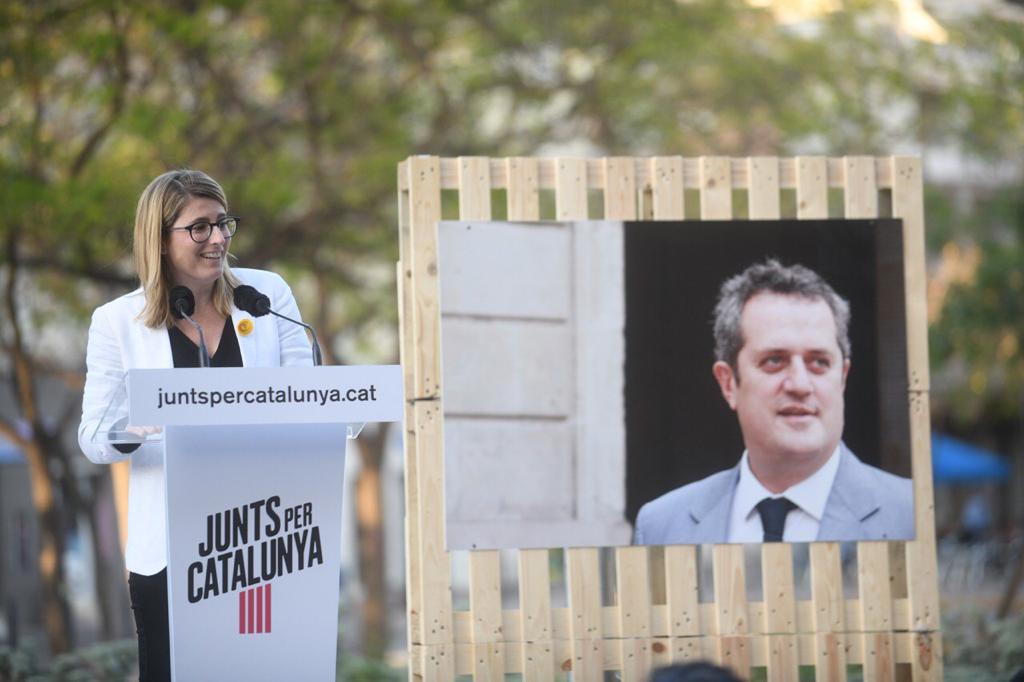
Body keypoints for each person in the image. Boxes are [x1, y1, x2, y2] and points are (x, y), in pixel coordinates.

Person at [77, 169, 312, 681]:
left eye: (223, 223)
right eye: (199, 227)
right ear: (159, 240)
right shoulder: (117, 321)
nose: (219, 238)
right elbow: (94, 438)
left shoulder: (265, 295)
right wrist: (137, 426)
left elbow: (307, 397)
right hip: (168, 551)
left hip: (262, 543)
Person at [634, 260, 913, 545]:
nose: (800, 385)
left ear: (842, 377)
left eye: (819, 362)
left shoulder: (912, 515)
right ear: (728, 383)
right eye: (774, 361)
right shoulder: (661, 527)